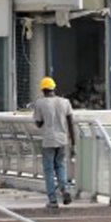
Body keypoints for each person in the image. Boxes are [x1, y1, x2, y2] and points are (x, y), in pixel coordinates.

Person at [32, 77, 75, 209]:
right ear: (54, 88)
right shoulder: (65, 102)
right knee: (60, 166)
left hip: (49, 141)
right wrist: (73, 143)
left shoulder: (40, 103)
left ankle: (52, 200)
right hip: (62, 140)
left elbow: (39, 123)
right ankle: (64, 189)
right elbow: (71, 124)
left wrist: (41, 118)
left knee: (49, 170)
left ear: (43, 90)